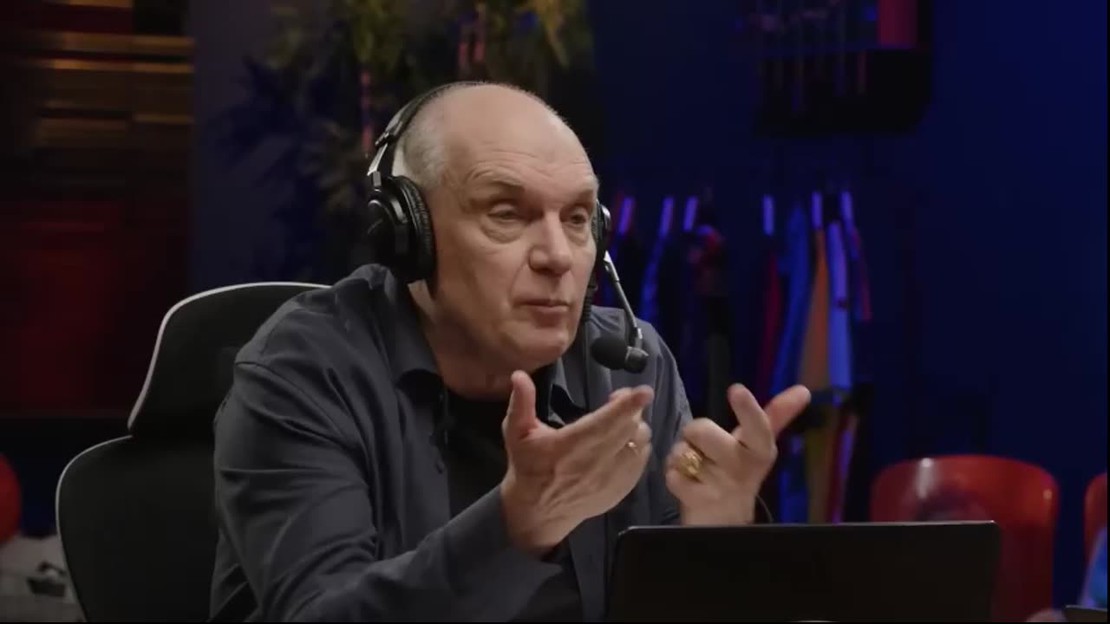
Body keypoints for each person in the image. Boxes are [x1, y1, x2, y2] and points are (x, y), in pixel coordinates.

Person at [209, 81, 811, 622]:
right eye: (506, 214)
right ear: (409, 235)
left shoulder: (626, 368)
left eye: (577, 218)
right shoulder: (303, 372)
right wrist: (517, 526)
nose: (557, 256)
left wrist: (715, 543)